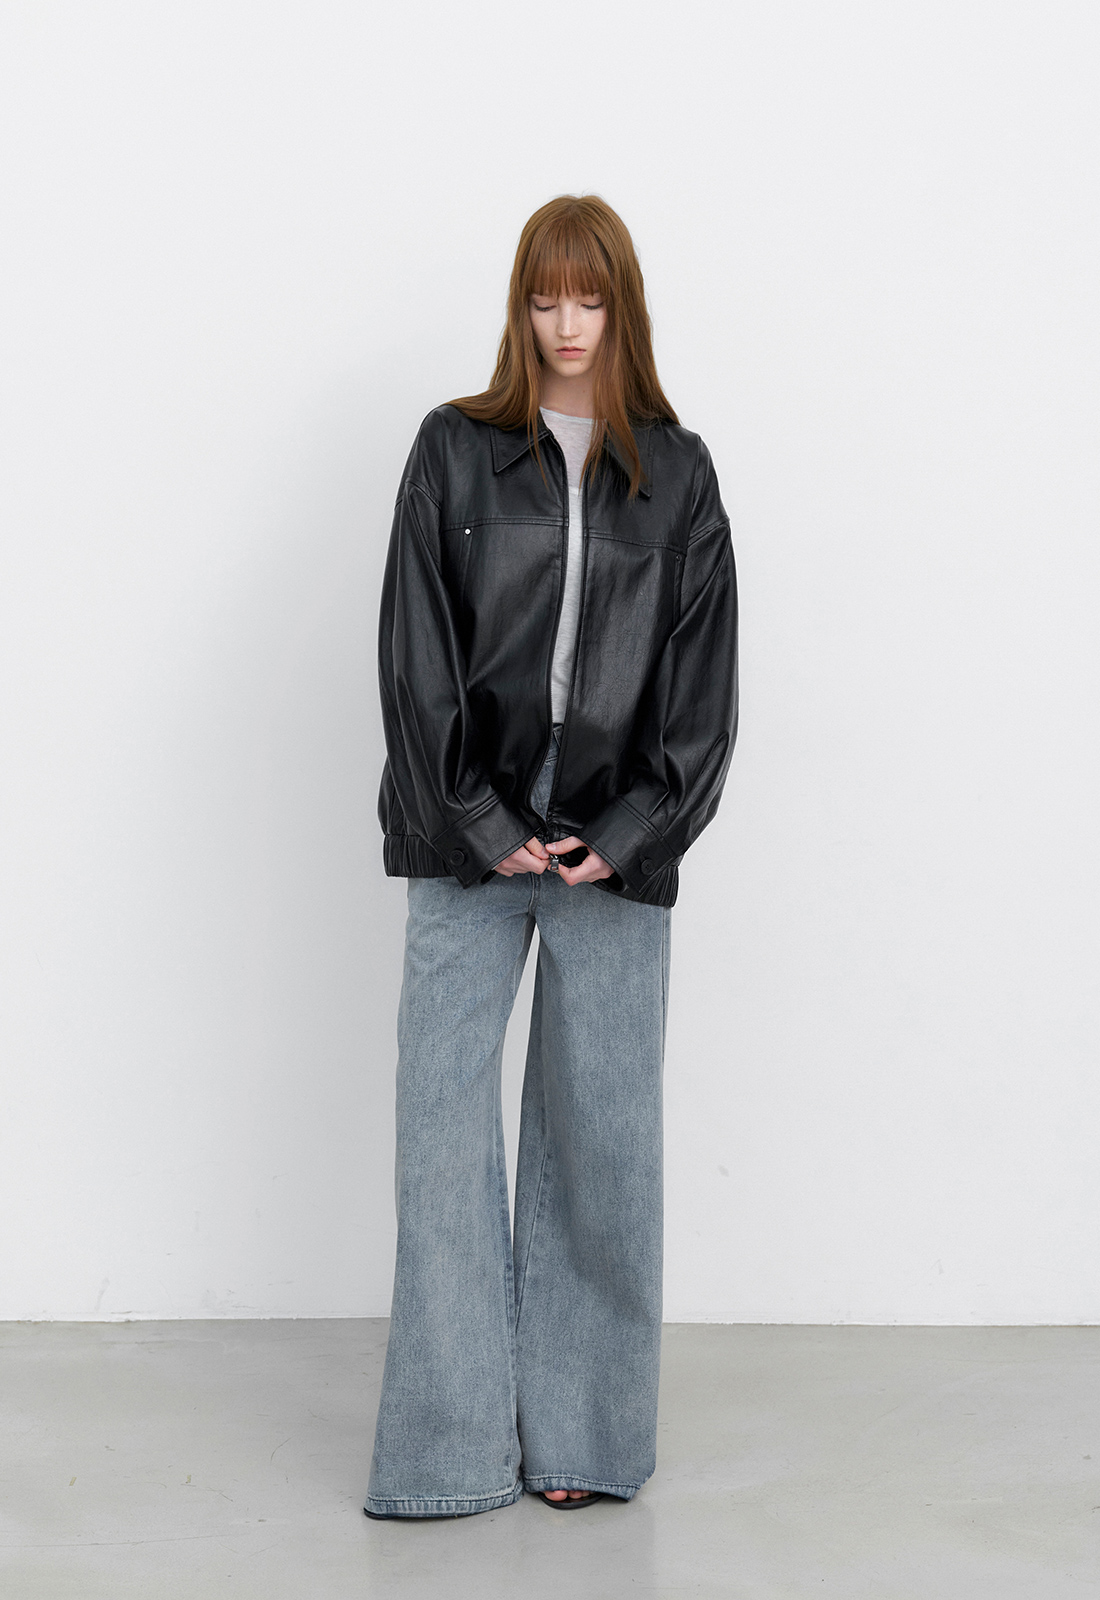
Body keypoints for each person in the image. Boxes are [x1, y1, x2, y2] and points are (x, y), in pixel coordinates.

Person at [364, 194, 738, 1520]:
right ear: (519, 308)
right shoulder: (455, 450)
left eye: (590, 297)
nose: (566, 323)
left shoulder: (678, 474)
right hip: (469, 836)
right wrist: (478, 823)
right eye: (544, 296)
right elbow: (414, 657)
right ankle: (449, 1453)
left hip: (608, 850)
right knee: (439, 1136)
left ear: (621, 307)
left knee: (603, 1147)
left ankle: (580, 1439)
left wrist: (626, 837)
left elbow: (703, 696)